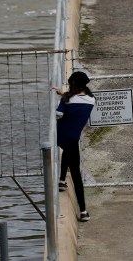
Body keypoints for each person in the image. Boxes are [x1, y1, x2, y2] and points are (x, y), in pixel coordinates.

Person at [51, 71, 96, 222]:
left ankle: (83, 211)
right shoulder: (91, 100)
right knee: (69, 152)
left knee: (76, 175)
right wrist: (63, 94)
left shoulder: (67, 100)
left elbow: (58, 115)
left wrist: (62, 98)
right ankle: (62, 181)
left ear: (74, 85)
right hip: (74, 136)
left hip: (60, 135)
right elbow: (77, 100)